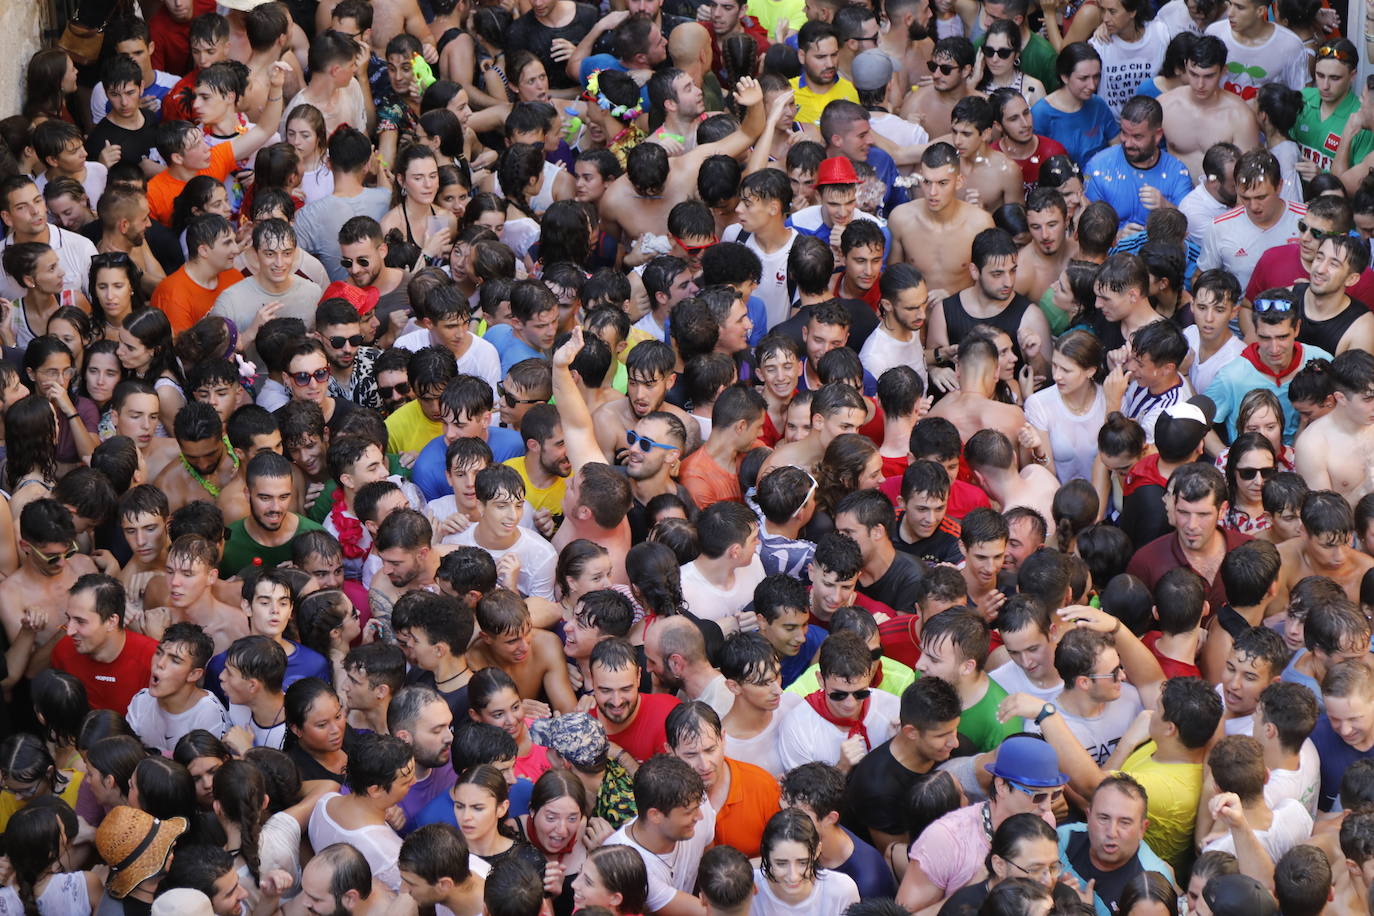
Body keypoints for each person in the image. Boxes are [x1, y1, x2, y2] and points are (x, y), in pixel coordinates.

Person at [896, 735, 1066, 911]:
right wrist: (975, 890)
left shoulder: (1044, 821)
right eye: (1037, 795)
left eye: (1055, 794)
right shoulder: (946, 838)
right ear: (1001, 786)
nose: (1047, 807)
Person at [604, 753, 716, 915]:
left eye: (698, 806)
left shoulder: (695, 801)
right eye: (689, 812)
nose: (700, 816)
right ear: (655, 815)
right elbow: (710, 913)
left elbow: (710, 864)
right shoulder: (624, 864)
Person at [888, 143, 994, 296]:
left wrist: (953, 302)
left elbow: (990, 284)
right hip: (915, 315)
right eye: (927, 182)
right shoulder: (901, 219)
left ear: (959, 182)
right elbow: (893, 282)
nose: (932, 192)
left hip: (962, 315)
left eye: (942, 183)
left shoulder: (980, 224)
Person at [51, 573, 156, 713]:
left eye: (80, 621)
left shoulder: (152, 660)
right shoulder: (64, 651)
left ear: (111, 622)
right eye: (69, 619)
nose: (69, 631)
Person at [1158, 37, 1261, 180]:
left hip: (1223, 200)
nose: (1200, 84)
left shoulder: (1241, 117)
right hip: (1174, 194)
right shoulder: (1165, 105)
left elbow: (1248, 175)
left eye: (1209, 76)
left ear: (1223, 71)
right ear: (1185, 67)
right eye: (1193, 74)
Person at [126, 623, 227, 753]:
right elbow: (126, 756)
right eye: (158, 653)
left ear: (194, 674)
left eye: (175, 660)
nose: (160, 663)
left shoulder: (209, 713)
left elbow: (203, 770)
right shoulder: (141, 700)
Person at [1294, 349, 1374, 506]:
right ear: (1340, 398)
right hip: (1351, 529)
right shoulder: (1312, 445)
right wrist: (1364, 488)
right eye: (1368, 399)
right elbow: (1325, 521)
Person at [751, 808, 860, 916]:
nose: (793, 877)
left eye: (803, 862)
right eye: (781, 863)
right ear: (766, 854)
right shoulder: (747, 887)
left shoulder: (842, 891)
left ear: (817, 851)